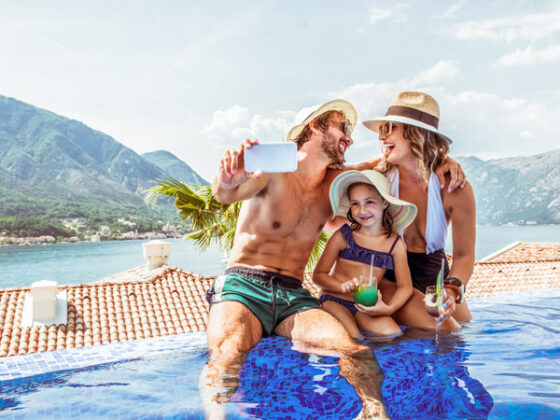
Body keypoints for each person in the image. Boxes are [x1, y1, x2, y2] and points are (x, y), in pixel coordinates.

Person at [203, 99, 389, 419]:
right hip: (245, 284)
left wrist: (442, 161)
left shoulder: (336, 183)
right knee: (227, 354)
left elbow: (386, 163)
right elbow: (226, 193)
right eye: (343, 128)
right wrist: (229, 179)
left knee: (354, 351)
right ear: (316, 126)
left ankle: (374, 412)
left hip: (293, 294)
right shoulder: (273, 169)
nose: (350, 138)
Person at [361, 91, 476, 331]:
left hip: (435, 276)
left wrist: (452, 290)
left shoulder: (453, 187)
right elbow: (334, 174)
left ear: (416, 133)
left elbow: (464, 256)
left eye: (389, 128)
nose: (382, 137)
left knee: (467, 327)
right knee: (448, 332)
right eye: (381, 130)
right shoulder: (378, 175)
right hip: (391, 277)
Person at [313, 169, 416, 338]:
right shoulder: (343, 236)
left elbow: (405, 288)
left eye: (369, 202)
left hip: (367, 306)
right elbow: (318, 275)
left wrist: (388, 309)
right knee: (355, 339)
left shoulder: (395, 244)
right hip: (333, 300)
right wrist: (340, 286)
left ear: (384, 203)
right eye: (355, 203)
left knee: (393, 335)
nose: (362, 210)